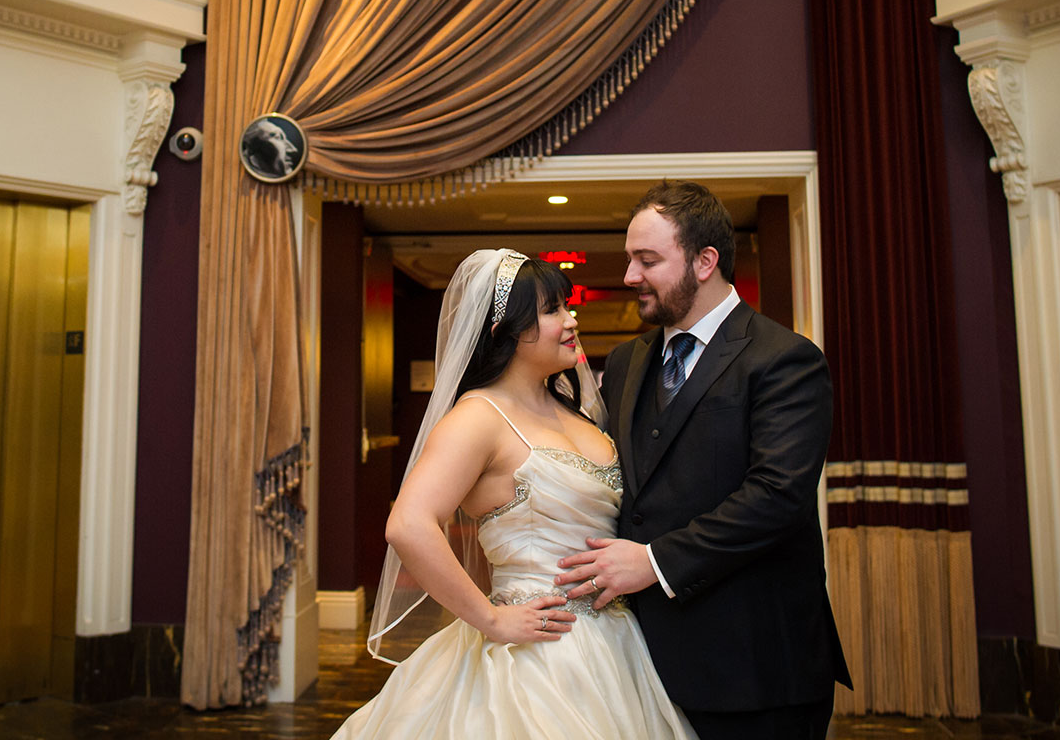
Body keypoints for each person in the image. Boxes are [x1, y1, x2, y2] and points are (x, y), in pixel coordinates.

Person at [333, 248, 697, 739]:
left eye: (567, 306)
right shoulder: (478, 418)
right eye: (552, 311)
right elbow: (408, 524)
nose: (571, 321)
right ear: (503, 331)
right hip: (535, 653)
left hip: (617, 643)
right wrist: (491, 619)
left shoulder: (576, 411)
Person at [555, 180, 851, 740]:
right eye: (629, 259)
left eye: (647, 260)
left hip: (755, 668)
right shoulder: (624, 362)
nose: (628, 277)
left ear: (705, 261)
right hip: (639, 668)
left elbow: (777, 497)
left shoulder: (785, 360)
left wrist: (655, 562)